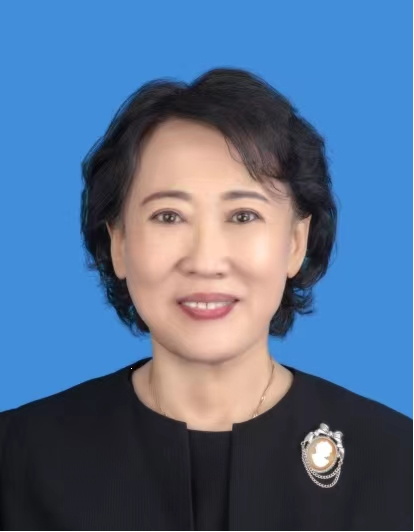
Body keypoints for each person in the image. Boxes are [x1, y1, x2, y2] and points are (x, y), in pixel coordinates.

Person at [0, 67, 412, 532]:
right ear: (118, 243)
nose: (205, 260)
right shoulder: (18, 459)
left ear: (296, 242)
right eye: (168, 216)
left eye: (243, 215)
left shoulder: (396, 463)